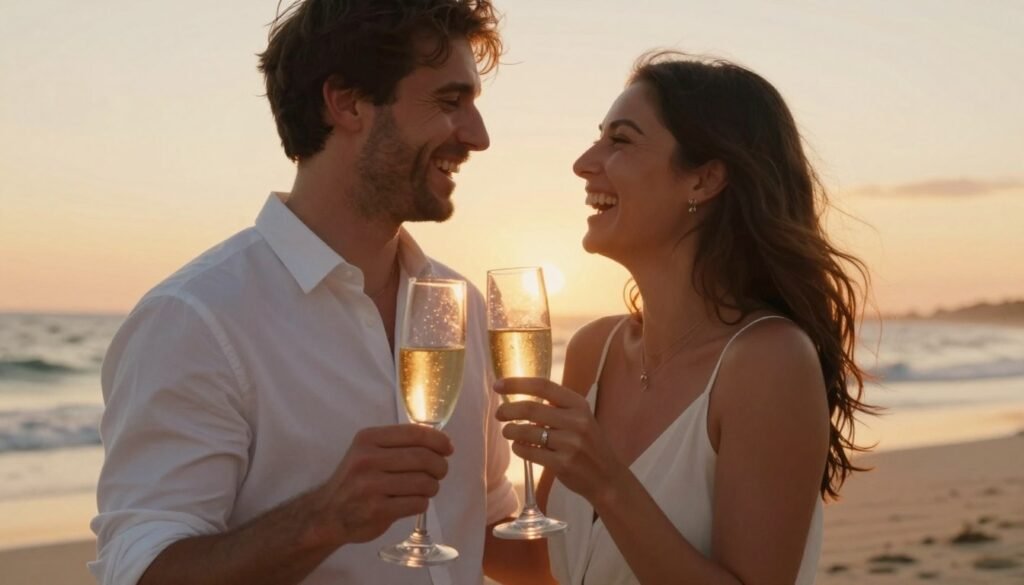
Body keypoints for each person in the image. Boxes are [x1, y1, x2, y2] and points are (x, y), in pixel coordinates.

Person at [89, 2, 521, 584]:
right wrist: (326, 517)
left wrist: (611, 491)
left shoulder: (461, 304)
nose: (479, 136)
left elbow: (487, 529)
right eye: (450, 101)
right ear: (346, 102)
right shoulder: (195, 319)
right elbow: (141, 570)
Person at [493, 52, 874, 584]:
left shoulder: (768, 362)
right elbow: (547, 564)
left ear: (704, 179)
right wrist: (419, 497)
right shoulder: (593, 351)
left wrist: (608, 483)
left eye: (620, 140)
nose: (584, 161)